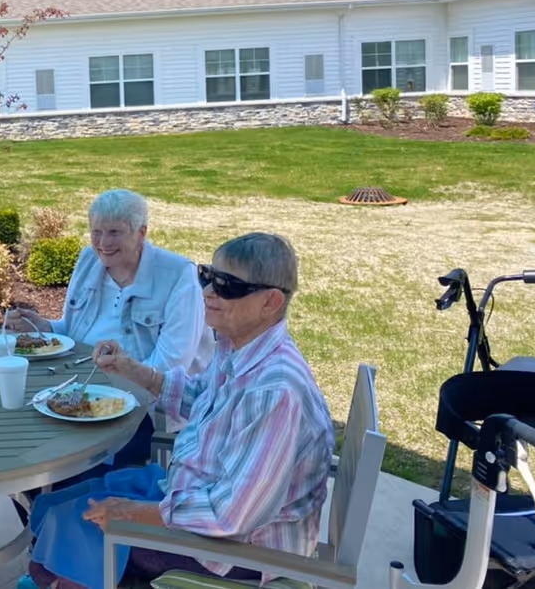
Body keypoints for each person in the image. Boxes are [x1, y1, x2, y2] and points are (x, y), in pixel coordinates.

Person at [26, 233, 335, 589]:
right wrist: (130, 368)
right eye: (207, 276)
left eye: (228, 286)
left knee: (72, 531)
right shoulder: (240, 346)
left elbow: (231, 515)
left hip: (235, 553)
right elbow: (202, 398)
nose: (208, 292)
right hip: (190, 500)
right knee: (52, 507)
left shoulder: (275, 392)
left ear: (271, 301)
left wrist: (135, 513)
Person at [7, 189, 213, 469]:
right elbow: (71, 332)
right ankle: (39, 507)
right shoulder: (88, 261)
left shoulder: (177, 275)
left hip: (144, 410)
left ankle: (65, 505)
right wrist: (42, 327)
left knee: (68, 464)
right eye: (96, 232)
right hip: (80, 388)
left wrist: (110, 395)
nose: (103, 243)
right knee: (18, 437)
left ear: (142, 232)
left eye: (115, 232)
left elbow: (170, 366)